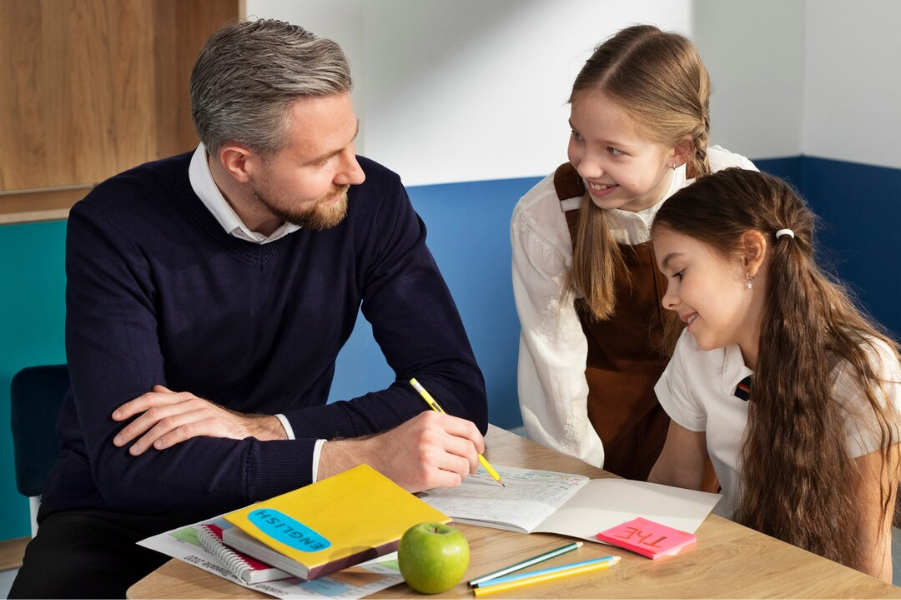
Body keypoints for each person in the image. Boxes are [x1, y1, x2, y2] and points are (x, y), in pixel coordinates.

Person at [11, 19, 488, 599]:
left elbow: (453, 392)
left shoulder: (371, 202)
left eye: (352, 140)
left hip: (296, 501)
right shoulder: (115, 224)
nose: (353, 172)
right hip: (119, 516)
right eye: (322, 159)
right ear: (240, 162)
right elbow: (133, 470)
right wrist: (349, 456)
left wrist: (267, 429)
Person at [512, 25, 755, 479]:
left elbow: (757, 338)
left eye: (614, 150)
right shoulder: (545, 216)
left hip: (711, 426)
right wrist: (580, 482)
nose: (586, 164)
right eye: (577, 135)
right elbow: (554, 370)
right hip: (600, 431)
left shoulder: (731, 189)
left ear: (678, 150)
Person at [649, 168, 901, 581]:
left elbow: (865, 553)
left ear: (749, 255)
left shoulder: (861, 367)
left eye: (678, 273)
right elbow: (676, 479)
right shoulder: (696, 351)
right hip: (736, 569)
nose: (668, 299)